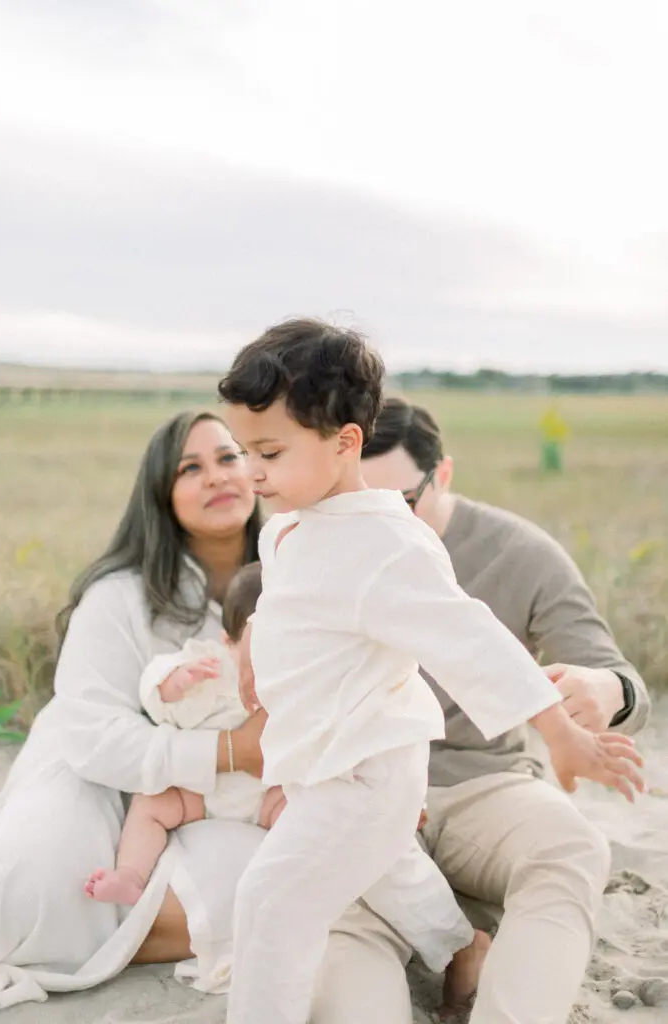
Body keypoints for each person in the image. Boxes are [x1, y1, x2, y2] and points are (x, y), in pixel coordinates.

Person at [217, 319, 643, 1024]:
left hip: (366, 776)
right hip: (318, 763)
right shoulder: (290, 524)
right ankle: (459, 948)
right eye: (243, 452)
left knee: (271, 901)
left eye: (268, 453)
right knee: (387, 881)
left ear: (344, 443)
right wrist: (258, 636)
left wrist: (561, 731)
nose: (251, 472)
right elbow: (299, 595)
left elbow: (475, 642)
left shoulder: (389, 544)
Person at [0, 411, 412, 1021]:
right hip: (101, 773)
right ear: (161, 493)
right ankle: (107, 922)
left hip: (234, 794)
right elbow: (91, 734)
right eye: (191, 468)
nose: (217, 476)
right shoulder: (119, 595)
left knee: (295, 873)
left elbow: (368, 688)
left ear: (258, 469)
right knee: (29, 878)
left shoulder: (304, 570)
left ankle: (122, 929)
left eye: (229, 457)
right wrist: (231, 750)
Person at [360, 395, 652, 1024]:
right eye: (361, 506)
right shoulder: (323, 546)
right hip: (359, 789)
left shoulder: (519, 553)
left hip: (482, 785)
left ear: (442, 474)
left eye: (401, 504)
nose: (381, 526)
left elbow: (623, 681)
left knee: (572, 847)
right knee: (339, 926)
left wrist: (608, 690)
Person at [84, 562, 289, 907]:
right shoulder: (206, 664)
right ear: (227, 642)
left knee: (303, 809)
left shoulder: (299, 676)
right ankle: (131, 875)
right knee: (150, 804)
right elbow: (155, 693)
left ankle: (294, 876)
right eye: (257, 647)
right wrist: (174, 683)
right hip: (201, 790)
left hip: (265, 793)